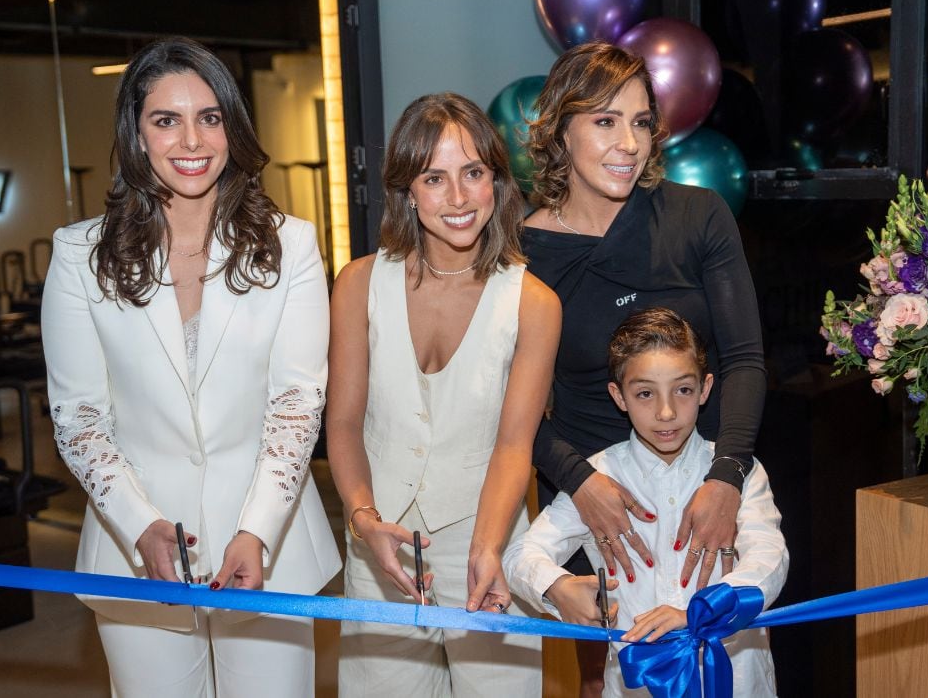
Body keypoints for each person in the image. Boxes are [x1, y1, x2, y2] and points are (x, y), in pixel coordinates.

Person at [42, 37, 339, 697]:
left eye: (209, 117)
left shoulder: (290, 245)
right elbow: (79, 416)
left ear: (232, 127)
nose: (192, 140)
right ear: (136, 134)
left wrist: (257, 529)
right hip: (134, 551)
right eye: (165, 120)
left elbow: (296, 405)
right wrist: (139, 524)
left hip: (270, 547)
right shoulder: (80, 255)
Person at [522, 40, 767, 696]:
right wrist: (580, 484)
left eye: (640, 122)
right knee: (614, 677)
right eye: (605, 121)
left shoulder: (698, 215)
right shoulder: (523, 253)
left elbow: (744, 360)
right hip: (592, 504)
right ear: (560, 130)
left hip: (702, 494)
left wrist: (726, 479)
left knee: (722, 664)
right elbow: (509, 407)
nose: (628, 143)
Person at [327, 92, 561, 697]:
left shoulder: (534, 303)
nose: (458, 197)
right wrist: (364, 521)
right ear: (408, 190)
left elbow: (515, 445)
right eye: (434, 178)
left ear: (496, 183)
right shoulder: (358, 284)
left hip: (489, 541)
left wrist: (488, 547)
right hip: (379, 541)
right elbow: (344, 423)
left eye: (473, 173)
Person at [504, 307, 787, 697]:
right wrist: (557, 586)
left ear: (705, 389)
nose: (666, 412)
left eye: (682, 390)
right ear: (618, 396)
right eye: (645, 393)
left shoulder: (739, 475)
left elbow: (769, 559)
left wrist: (700, 613)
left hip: (736, 679)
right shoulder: (598, 480)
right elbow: (519, 555)